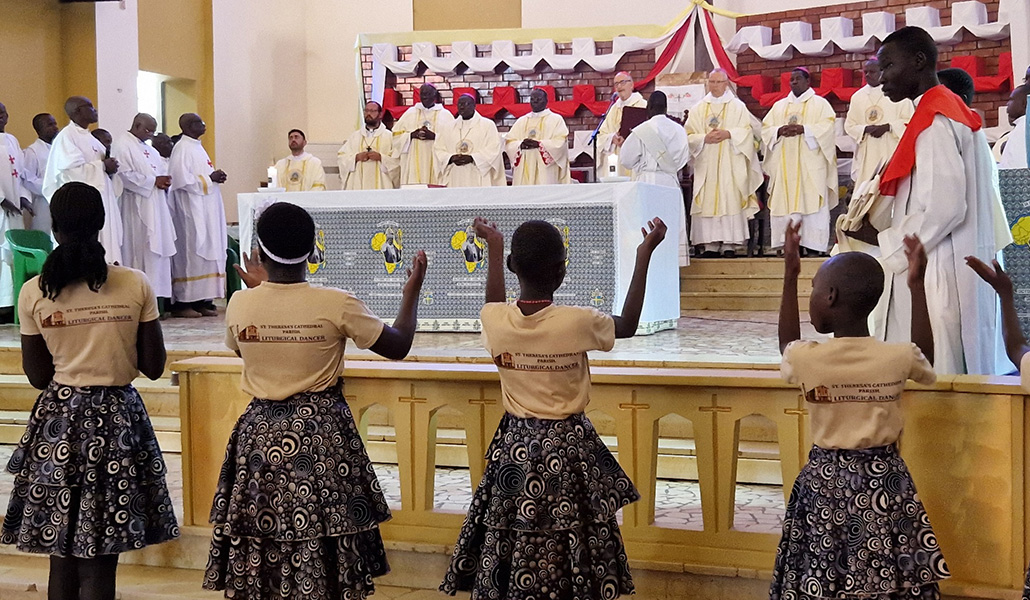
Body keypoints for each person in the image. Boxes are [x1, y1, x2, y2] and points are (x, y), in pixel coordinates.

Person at [203, 201, 427, 599]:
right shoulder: (336, 302)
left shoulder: (240, 302)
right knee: (324, 535)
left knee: (265, 534)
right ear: (311, 250)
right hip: (321, 437)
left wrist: (261, 295)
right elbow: (398, 346)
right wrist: (410, 294)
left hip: (260, 438)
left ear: (260, 251)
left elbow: (244, 350)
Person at [441, 214, 667, 599]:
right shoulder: (576, 321)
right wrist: (644, 253)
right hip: (568, 448)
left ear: (513, 266)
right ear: (561, 272)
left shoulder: (494, 320)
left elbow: (493, 303)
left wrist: (495, 246)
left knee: (515, 533)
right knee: (574, 533)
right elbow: (628, 324)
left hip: (515, 448)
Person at [1, 182, 179, 599]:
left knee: (61, 551)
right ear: (101, 224)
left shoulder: (35, 291)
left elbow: (38, 376)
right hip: (118, 422)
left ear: (55, 228)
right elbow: (154, 367)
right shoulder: (134, 283)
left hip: (59, 425)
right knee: (102, 555)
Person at [771, 220, 948, 600]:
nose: (811, 296)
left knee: (823, 572)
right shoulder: (897, 356)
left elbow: (786, 345)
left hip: (825, 485)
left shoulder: (806, 357)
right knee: (889, 571)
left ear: (830, 296)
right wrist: (917, 286)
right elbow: (926, 359)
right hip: (885, 484)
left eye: (813, 289)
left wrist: (789, 276)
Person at [845, 25, 1012, 375]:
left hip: (941, 264)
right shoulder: (942, 111)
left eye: (888, 66)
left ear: (919, 61)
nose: (881, 78)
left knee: (942, 365)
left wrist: (883, 239)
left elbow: (946, 206)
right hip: (948, 256)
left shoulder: (935, 119)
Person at [685, 69, 763, 257]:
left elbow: (747, 132)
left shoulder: (738, 107)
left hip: (731, 163)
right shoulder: (698, 109)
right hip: (707, 164)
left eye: (718, 82)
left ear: (726, 84)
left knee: (730, 197)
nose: (714, 86)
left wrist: (729, 134)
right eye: (711, 82)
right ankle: (710, 245)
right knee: (707, 199)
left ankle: (730, 244)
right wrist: (704, 138)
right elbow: (688, 135)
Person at [761, 68, 838, 253]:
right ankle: (788, 245)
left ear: (807, 82)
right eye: (791, 79)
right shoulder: (779, 106)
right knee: (785, 203)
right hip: (784, 166)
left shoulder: (820, 104)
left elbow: (828, 127)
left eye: (798, 79)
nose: (794, 82)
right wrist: (779, 131)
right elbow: (766, 129)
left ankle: (812, 245)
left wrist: (805, 130)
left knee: (812, 200)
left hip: (810, 165)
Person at [44, 96, 124, 264]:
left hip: (102, 201)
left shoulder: (90, 138)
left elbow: (101, 168)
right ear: (78, 111)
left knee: (107, 248)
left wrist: (110, 169)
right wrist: (103, 166)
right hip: (81, 208)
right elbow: (71, 172)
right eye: (90, 107)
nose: (95, 110)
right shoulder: (66, 137)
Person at [619, 91, 691, 265]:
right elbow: (683, 159)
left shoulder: (641, 131)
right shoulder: (679, 130)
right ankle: (672, 265)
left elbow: (626, 159)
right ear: (666, 108)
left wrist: (642, 165)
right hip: (670, 182)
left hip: (647, 183)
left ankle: (649, 264)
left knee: (647, 222)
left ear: (649, 108)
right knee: (670, 223)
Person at [168, 113, 227, 318]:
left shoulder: (197, 146)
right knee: (192, 254)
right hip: (191, 211)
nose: (203, 125)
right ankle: (184, 303)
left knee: (207, 254)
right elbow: (180, 180)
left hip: (206, 208)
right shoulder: (182, 148)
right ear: (187, 126)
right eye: (198, 122)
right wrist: (210, 178)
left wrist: (215, 178)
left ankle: (202, 301)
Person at [112, 114, 176, 302]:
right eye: (148, 130)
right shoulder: (122, 144)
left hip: (157, 205)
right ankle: (138, 298)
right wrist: (153, 181)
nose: (150, 135)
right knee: (140, 249)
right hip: (135, 207)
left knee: (156, 251)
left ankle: (155, 298)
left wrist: (164, 181)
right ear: (137, 125)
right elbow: (123, 176)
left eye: (153, 132)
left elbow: (159, 172)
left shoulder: (149, 149)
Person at [845, 58, 915, 186]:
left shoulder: (898, 93)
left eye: (872, 72)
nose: (867, 75)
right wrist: (865, 129)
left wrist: (888, 127)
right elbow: (850, 125)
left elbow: (910, 121)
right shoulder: (857, 97)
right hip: (868, 152)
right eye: (865, 72)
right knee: (866, 189)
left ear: (882, 71)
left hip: (891, 149)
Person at [434, 93, 505, 187]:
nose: (461, 107)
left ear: (474, 106)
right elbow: (438, 149)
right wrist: (450, 158)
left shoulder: (487, 125)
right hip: (456, 175)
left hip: (478, 174)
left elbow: (493, 149)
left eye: (465, 104)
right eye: (459, 104)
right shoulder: (448, 127)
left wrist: (473, 158)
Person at [505, 88, 571, 186]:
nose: (535, 101)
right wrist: (520, 145)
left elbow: (560, 142)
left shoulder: (556, 119)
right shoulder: (522, 120)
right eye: (532, 99)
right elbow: (510, 142)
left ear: (546, 101)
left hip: (545, 168)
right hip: (525, 164)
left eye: (538, 99)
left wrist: (539, 144)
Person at [393, 83, 453, 185]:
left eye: (428, 94)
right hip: (413, 159)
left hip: (436, 160)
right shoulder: (410, 112)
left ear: (434, 95)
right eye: (423, 94)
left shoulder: (445, 115)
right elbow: (396, 136)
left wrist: (434, 137)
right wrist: (411, 135)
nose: (425, 96)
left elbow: (452, 138)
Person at [596, 71, 648, 179]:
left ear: (631, 85)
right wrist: (612, 138)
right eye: (616, 84)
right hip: (617, 157)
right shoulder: (613, 108)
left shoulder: (642, 105)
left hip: (635, 157)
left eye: (622, 82)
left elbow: (648, 133)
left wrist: (629, 140)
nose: (619, 87)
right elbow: (602, 134)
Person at [338, 100, 399, 190]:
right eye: (366, 111)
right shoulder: (355, 137)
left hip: (382, 186)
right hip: (358, 185)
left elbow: (397, 161)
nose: (368, 114)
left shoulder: (390, 137)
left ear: (380, 114)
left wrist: (381, 158)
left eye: (372, 111)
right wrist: (356, 158)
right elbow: (342, 157)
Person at [21, 113, 58, 232]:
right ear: (39, 129)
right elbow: (28, 179)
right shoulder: (32, 151)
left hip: (61, 201)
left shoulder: (59, 148)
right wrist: (52, 186)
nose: (55, 127)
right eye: (50, 125)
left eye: (55, 124)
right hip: (43, 203)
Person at [1000, 84, 1029, 170]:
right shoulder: (1021, 125)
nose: (1007, 104)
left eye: (1011, 100)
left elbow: (1013, 166)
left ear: (1024, 104)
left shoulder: (1023, 127)